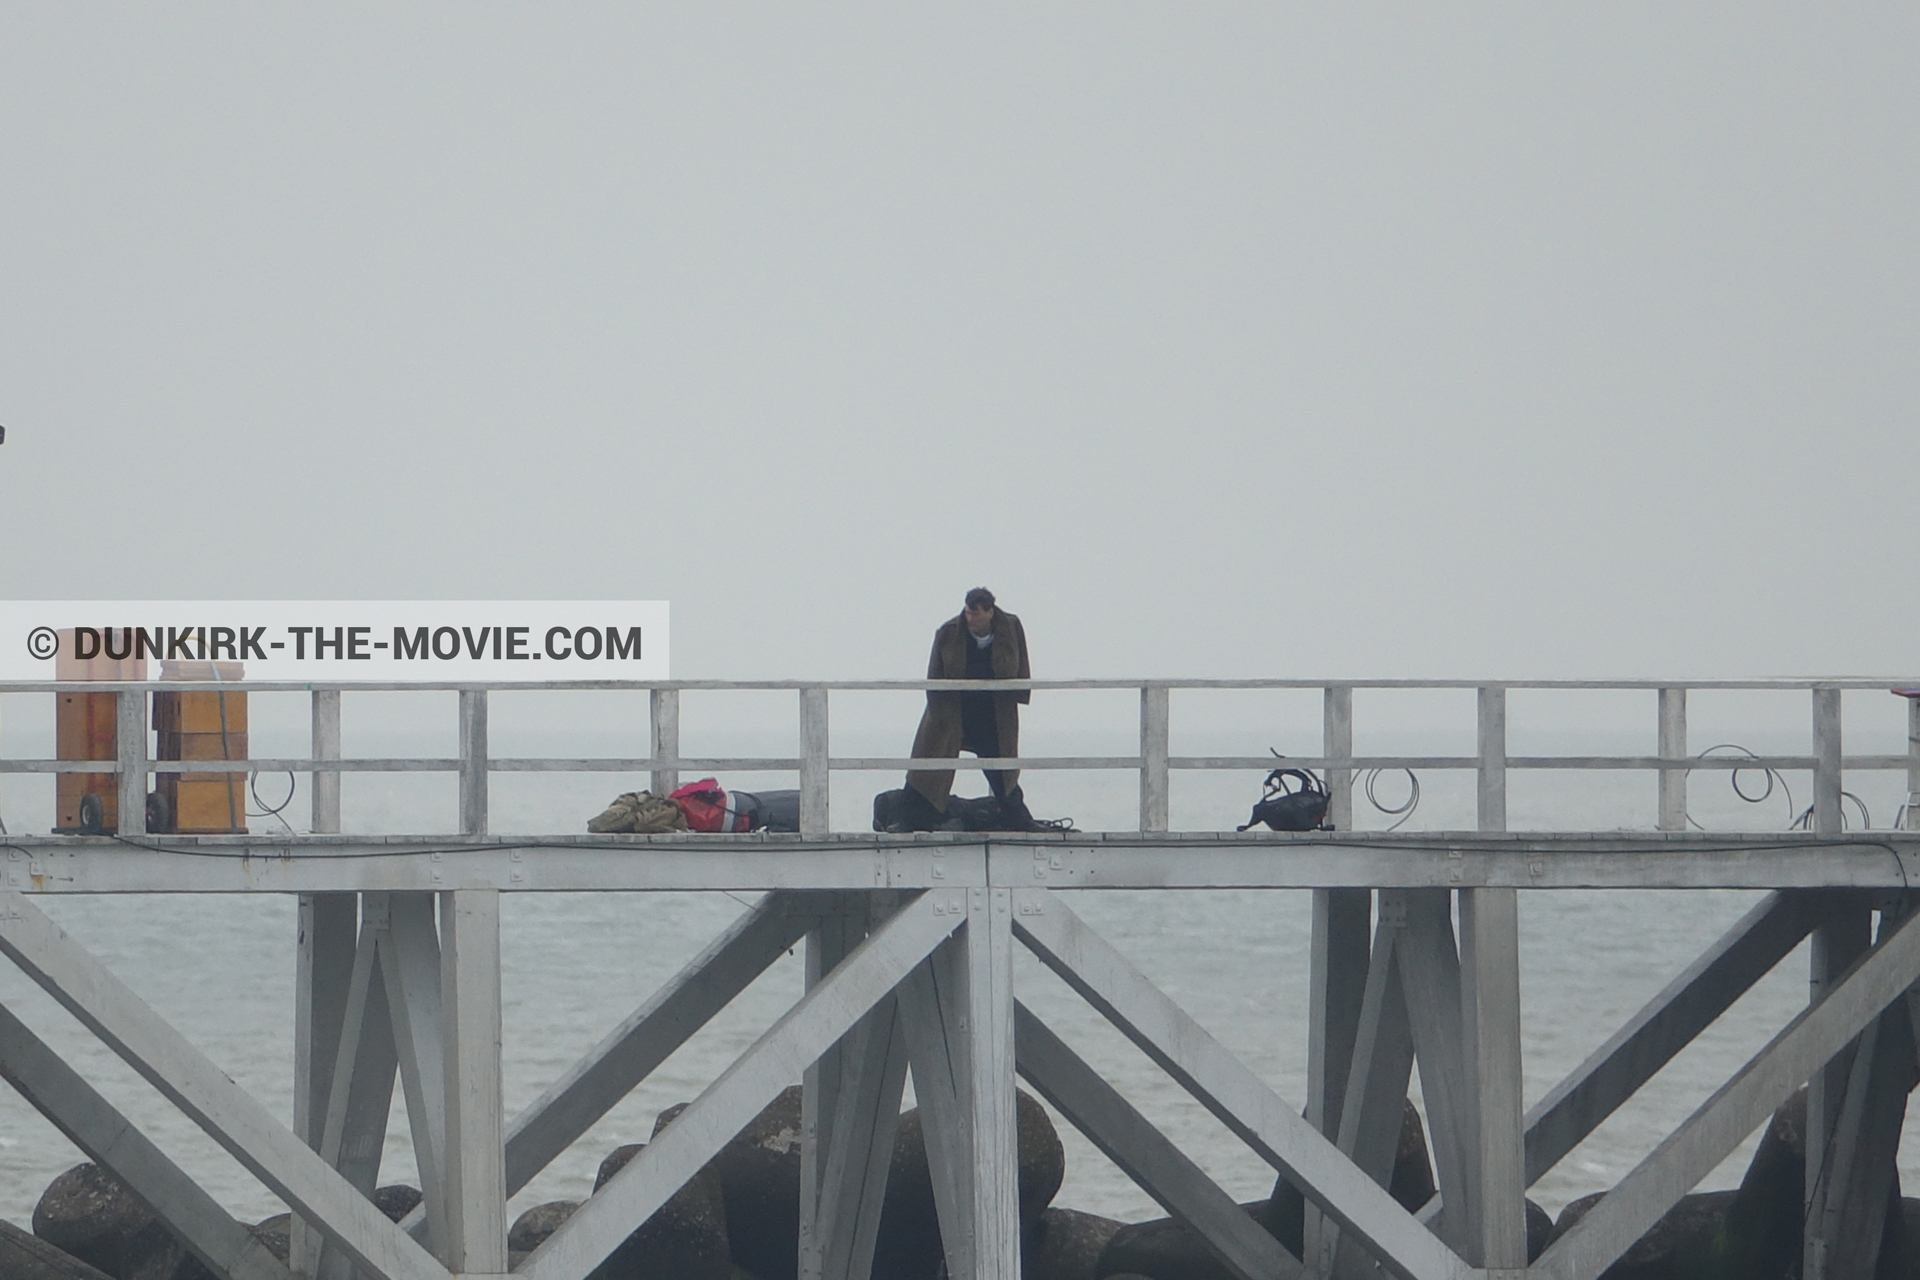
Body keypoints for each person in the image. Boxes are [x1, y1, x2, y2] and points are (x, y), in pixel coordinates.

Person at [903, 587, 1035, 827]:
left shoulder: (1010, 627)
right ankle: (911, 818)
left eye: (976, 614)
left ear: (989, 612)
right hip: (955, 710)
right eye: (967, 612)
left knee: (1001, 770)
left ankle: (1016, 818)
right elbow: (935, 675)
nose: (970, 619)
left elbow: (1020, 664)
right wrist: (938, 712)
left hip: (993, 712)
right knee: (928, 766)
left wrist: (1019, 694)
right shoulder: (948, 632)